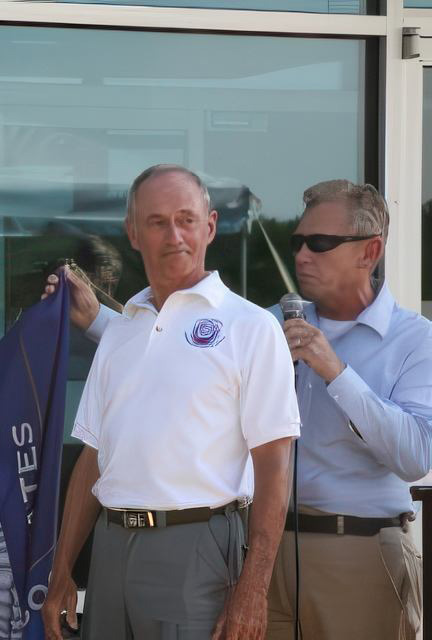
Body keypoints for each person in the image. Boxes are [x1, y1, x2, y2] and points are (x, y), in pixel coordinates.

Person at [41, 164, 300, 640]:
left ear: (211, 226)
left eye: (185, 218)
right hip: (111, 547)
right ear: (132, 233)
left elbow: (275, 467)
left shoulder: (251, 328)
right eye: (157, 221)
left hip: (196, 550)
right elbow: (93, 459)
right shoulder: (121, 330)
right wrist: (61, 572)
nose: (174, 234)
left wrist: (254, 587)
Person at [262, 180, 432, 640]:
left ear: (369, 251)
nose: (301, 255)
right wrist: (96, 321)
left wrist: (336, 371)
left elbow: (416, 456)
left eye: (319, 243)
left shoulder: (416, 339)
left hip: (359, 552)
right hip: (263, 553)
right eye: (297, 242)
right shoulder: (269, 327)